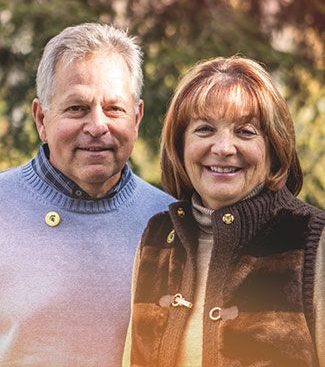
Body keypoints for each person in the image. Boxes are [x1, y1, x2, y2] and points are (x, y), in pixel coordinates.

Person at [123, 56, 325, 367]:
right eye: (204, 129)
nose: (224, 148)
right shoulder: (158, 239)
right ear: (180, 145)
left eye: (245, 132)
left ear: (274, 147)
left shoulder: (313, 239)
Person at [0, 22, 174, 366]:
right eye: (77, 108)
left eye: (114, 108)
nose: (97, 126)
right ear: (41, 118)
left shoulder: (171, 223)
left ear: (136, 118)